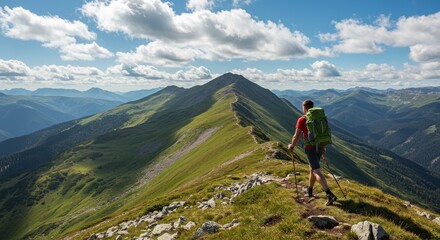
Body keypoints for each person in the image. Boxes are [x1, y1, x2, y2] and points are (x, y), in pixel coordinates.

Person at [288, 100, 337, 205]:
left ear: (304, 108)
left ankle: (329, 194)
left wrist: (292, 145)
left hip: (310, 147)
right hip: (319, 145)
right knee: (312, 168)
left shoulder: (302, 120)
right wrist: (323, 147)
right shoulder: (318, 118)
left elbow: (296, 135)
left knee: (316, 171)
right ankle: (309, 190)